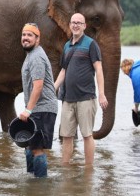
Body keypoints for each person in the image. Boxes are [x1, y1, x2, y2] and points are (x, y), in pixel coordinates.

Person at [54, 13, 108, 165]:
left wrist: (102, 94)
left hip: (86, 98)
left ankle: (89, 170)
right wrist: (53, 88)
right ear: (70, 25)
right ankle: (65, 168)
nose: (76, 25)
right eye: (73, 22)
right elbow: (63, 71)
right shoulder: (67, 45)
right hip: (67, 100)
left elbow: (99, 69)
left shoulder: (91, 44)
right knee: (66, 135)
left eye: (79, 22)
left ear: (84, 26)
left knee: (87, 135)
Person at [19, 23, 58, 178]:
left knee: (37, 148)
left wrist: (28, 110)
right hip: (37, 108)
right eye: (24, 35)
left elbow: (38, 86)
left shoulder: (36, 57)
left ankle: (40, 186)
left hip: (43, 109)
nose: (25, 38)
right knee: (29, 146)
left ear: (37, 39)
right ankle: (32, 181)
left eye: (30, 35)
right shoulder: (31, 55)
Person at [120, 59, 140, 125]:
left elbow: (137, 93)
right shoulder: (137, 66)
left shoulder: (135, 75)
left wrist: (136, 108)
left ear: (125, 69)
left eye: (124, 72)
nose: (125, 74)